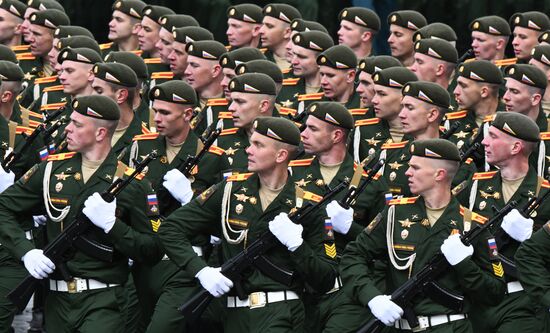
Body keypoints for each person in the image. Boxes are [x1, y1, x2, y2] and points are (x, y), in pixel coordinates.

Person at [159, 116, 337, 332]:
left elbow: (326, 279)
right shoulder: (230, 191)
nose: (248, 150)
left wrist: (297, 246)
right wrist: (201, 271)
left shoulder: (308, 205)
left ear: (281, 155)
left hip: (281, 312)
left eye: (258, 145)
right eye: (251, 142)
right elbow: (170, 228)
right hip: (233, 315)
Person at [0, 95, 162, 332]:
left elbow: (152, 249)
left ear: (100, 134)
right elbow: (4, 207)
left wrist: (112, 225)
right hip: (57, 301)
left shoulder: (130, 183)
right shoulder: (52, 171)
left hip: (105, 301)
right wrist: (26, 252)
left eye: (77, 124)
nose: (67, 128)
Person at [341, 138, 506, 332]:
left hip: (450, 327)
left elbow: (495, 292)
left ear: (439, 174)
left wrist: (464, 264)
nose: (407, 172)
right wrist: (372, 298)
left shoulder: (472, 225)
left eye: (415, 168)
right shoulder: (395, 213)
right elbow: (354, 256)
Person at [290, 101, 388, 332]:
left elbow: (384, 245)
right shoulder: (292, 172)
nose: (303, 134)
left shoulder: (369, 182)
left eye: (313, 129)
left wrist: (350, 228)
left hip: (346, 290)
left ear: (336, 135)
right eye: (305, 127)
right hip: (300, 286)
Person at [460, 111, 550, 333]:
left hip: (523, 301)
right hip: (479, 297)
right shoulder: (475, 186)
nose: (484, 142)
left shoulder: (545, 194)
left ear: (515, 147)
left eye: (493, 136)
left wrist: (530, 237)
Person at [217, 72, 277, 173]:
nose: (231, 108)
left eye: (240, 102)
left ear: (263, 106)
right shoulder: (221, 142)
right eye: (232, 101)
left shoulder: (287, 141)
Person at [259, 3, 302, 71]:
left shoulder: (304, 62)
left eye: (269, 26)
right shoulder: (257, 58)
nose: (261, 31)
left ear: (288, 32)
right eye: (262, 25)